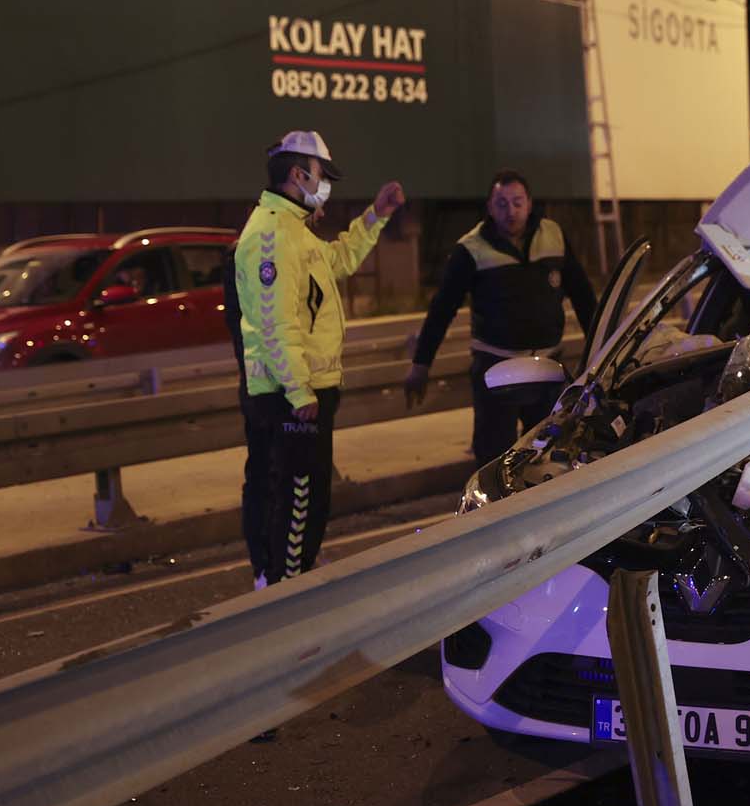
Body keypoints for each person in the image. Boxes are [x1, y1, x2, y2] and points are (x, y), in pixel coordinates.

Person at [232, 130, 404, 587]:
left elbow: (339, 260)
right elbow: (275, 323)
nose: (325, 185)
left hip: (303, 390)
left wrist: (377, 215)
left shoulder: (292, 230)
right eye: (321, 175)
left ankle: (288, 580)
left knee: (304, 501)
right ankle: (285, 592)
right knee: (297, 504)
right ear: (298, 174)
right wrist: (298, 390)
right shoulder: (272, 235)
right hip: (290, 396)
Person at [403, 169, 597, 465]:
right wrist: (421, 364)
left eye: (517, 202)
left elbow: (583, 296)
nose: (511, 211)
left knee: (547, 456)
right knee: (494, 459)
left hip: (546, 368)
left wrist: (601, 344)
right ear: (490, 208)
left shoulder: (553, 236)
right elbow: (442, 309)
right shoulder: (471, 249)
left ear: (529, 203)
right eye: (502, 204)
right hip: (496, 371)